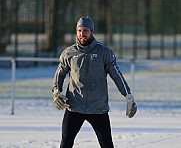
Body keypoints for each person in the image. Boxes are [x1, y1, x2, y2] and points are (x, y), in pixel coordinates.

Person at [52, 16, 137, 148]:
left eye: (85, 30)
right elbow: (59, 74)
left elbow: (117, 76)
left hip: (98, 108)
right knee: (65, 143)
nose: (82, 34)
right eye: (79, 30)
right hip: (74, 106)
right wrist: (56, 92)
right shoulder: (69, 53)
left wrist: (128, 96)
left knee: (107, 145)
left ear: (92, 32)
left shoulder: (104, 53)